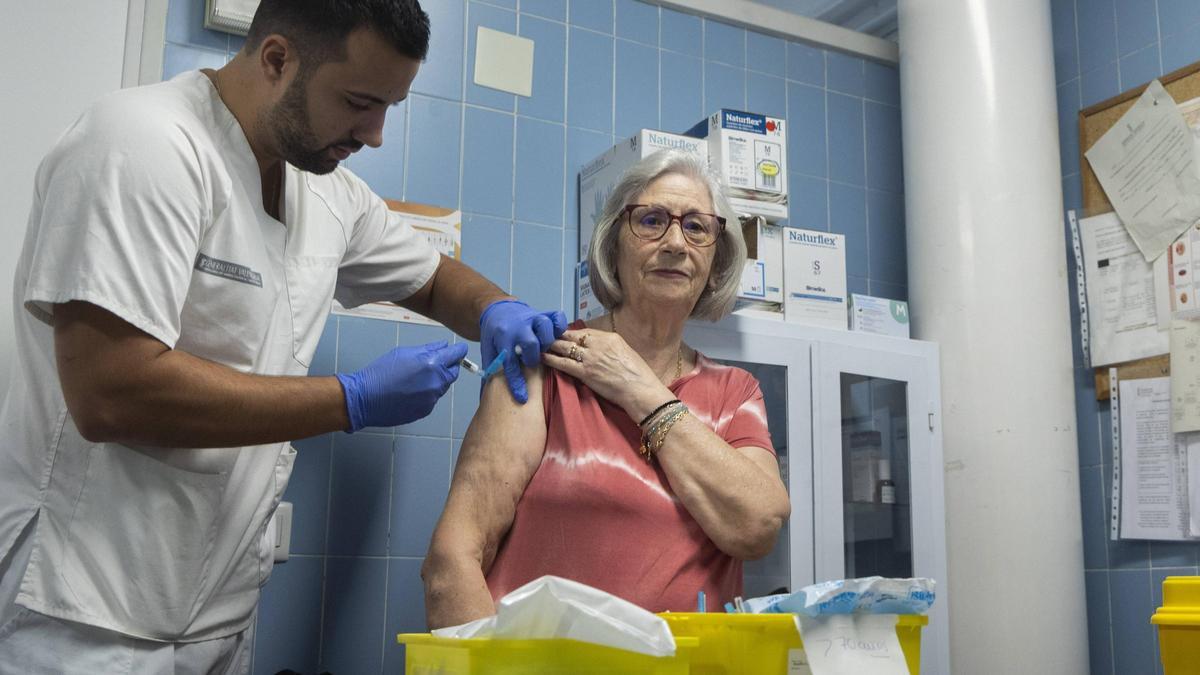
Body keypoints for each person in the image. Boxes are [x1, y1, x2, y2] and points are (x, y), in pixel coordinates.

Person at [0, 0, 564, 671]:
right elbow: (110, 392)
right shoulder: (142, 144)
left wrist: (498, 307)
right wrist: (351, 399)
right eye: (359, 102)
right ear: (276, 59)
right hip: (81, 611)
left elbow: (436, 280)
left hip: (219, 613)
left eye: (389, 107)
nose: (376, 134)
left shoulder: (327, 193)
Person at [422, 150, 792, 628]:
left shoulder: (734, 393)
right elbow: (452, 562)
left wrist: (641, 391)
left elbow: (758, 527)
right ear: (613, 245)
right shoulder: (544, 365)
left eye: (697, 227)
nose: (675, 243)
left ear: (716, 261)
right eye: (651, 221)